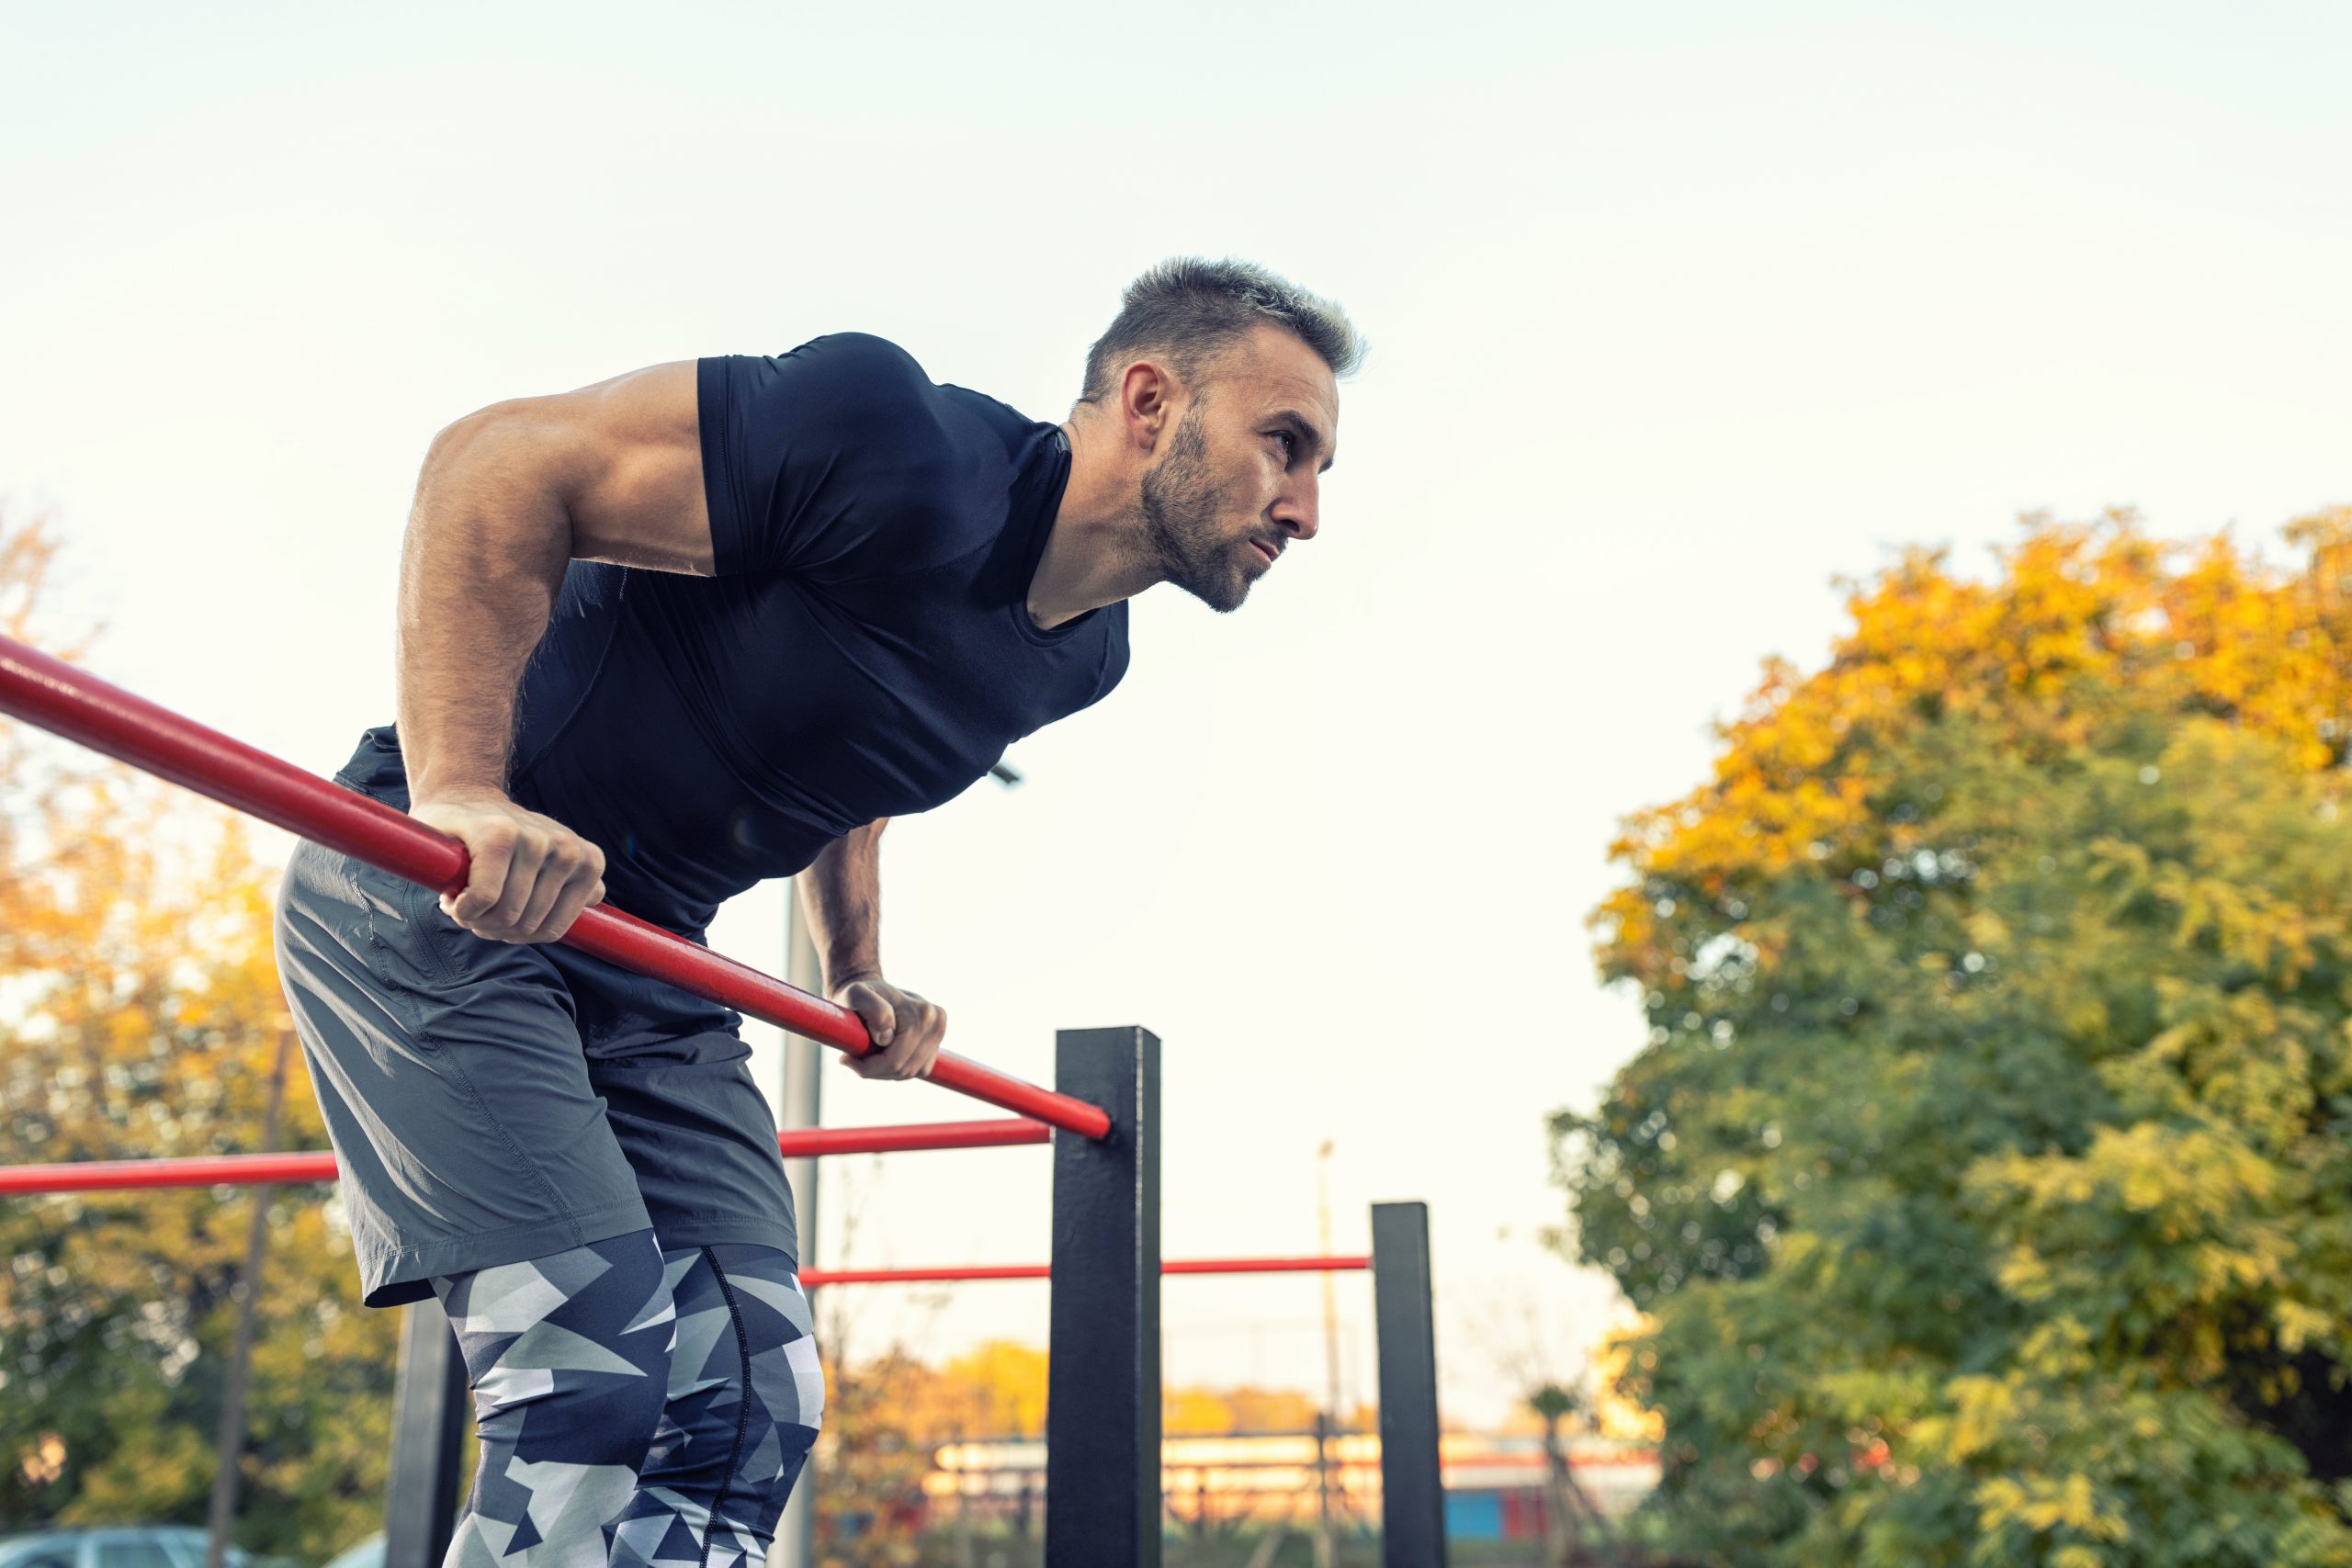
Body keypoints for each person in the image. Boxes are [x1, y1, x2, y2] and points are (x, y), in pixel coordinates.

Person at [273, 257, 1359, 1568]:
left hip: (652, 958)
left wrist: (860, 959)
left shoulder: (1088, 652)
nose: (1302, 509)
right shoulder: (886, 438)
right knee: (588, 1378)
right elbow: (492, 460)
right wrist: (461, 793)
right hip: (452, 897)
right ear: (1148, 401)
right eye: (1283, 447)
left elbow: (866, 747)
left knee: (750, 1406)